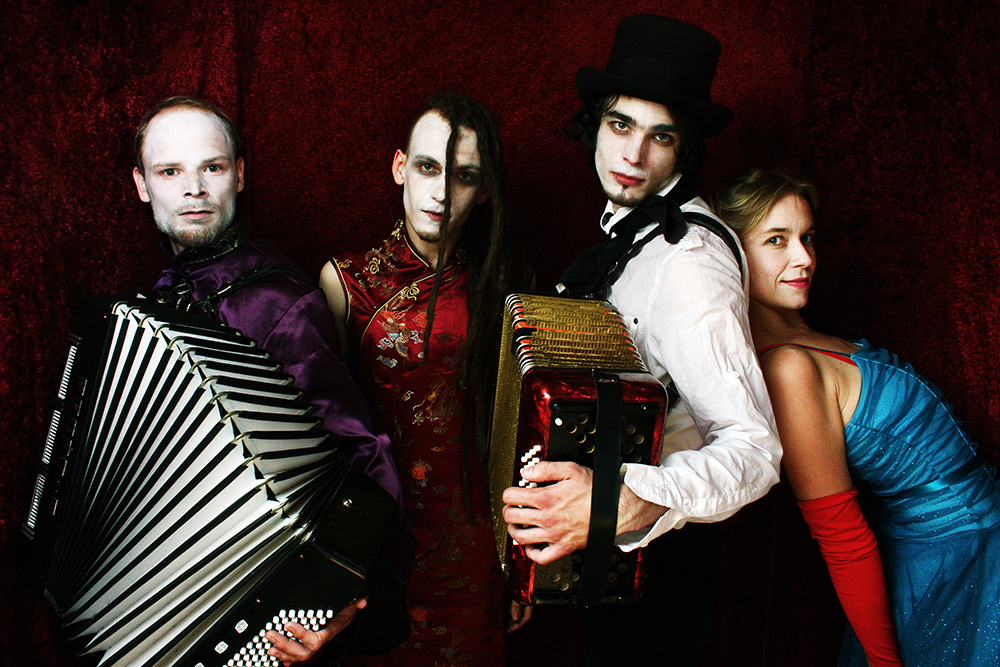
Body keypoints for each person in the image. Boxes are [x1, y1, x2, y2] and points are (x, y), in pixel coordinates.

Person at [500, 14, 782, 665]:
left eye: (661, 136)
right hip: (610, 555)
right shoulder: (631, 237)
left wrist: (619, 498)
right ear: (595, 126)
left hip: (662, 569)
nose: (632, 155)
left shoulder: (690, 261)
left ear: (683, 151)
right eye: (621, 125)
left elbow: (755, 449)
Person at [132, 96, 412, 666]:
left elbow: (364, 454)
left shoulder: (282, 304)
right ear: (143, 185)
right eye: (170, 172)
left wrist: (342, 596)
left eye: (211, 167)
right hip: (172, 586)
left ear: (238, 175)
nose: (194, 189)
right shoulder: (156, 297)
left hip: (254, 596)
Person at [708, 168, 1000, 667]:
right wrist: (884, 662)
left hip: (975, 538)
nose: (804, 257)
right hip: (949, 560)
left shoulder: (805, 335)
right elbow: (840, 534)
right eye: (776, 240)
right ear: (730, 254)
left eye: (807, 237)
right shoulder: (786, 369)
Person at [318, 91, 534, 666]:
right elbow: (321, 434)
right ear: (399, 167)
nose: (440, 192)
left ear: (483, 190)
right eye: (427, 167)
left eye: (463, 176)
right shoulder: (347, 281)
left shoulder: (507, 284)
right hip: (378, 543)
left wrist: (523, 560)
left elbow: (521, 432)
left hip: (475, 549)